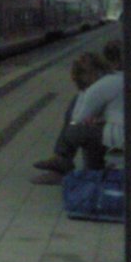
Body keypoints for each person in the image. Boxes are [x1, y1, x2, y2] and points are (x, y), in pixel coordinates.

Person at [31, 51, 110, 184]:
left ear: (92, 73)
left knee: (77, 130)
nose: (82, 86)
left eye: (83, 79)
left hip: (114, 132)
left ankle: (63, 161)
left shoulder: (104, 86)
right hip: (108, 128)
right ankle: (62, 160)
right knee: (75, 115)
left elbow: (80, 118)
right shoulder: (98, 84)